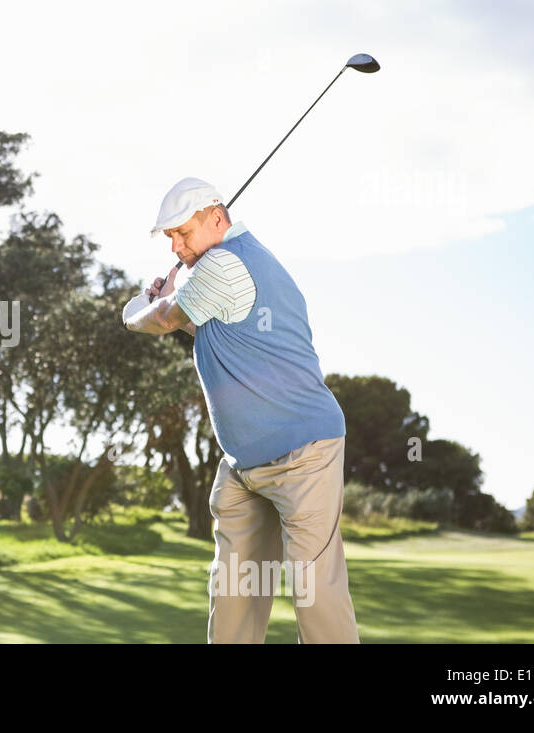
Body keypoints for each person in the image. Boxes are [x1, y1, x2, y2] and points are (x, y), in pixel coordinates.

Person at [122, 177, 360, 644]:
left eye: (183, 233)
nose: (176, 246)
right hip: (242, 465)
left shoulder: (227, 264)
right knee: (232, 593)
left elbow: (164, 320)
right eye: (169, 237)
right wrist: (165, 298)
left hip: (303, 453)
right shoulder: (219, 275)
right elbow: (198, 325)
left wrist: (143, 304)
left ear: (217, 218)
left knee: (314, 591)